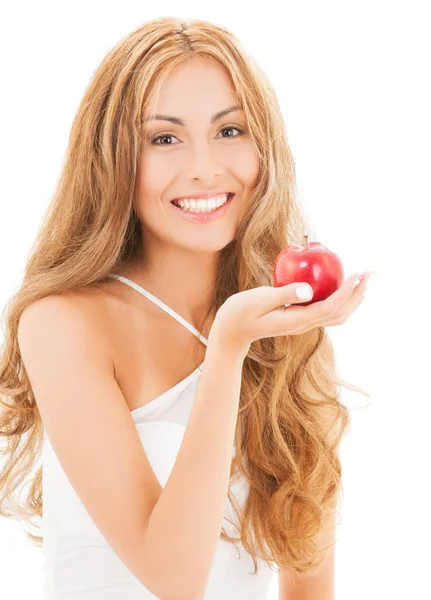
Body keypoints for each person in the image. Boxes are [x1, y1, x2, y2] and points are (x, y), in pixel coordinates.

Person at [0, 17, 371, 600]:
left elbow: (307, 571)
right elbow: (172, 581)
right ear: (114, 158)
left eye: (230, 131)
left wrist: (252, 337)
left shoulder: (291, 327)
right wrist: (226, 351)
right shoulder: (61, 322)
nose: (204, 166)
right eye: (165, 138)